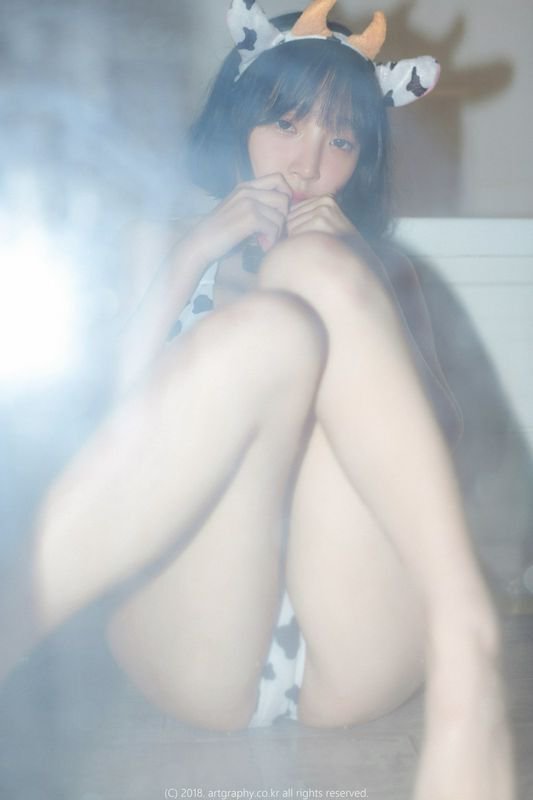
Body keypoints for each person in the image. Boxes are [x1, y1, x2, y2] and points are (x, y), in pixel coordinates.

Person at [1, 2, 514, 798]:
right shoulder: (159, 243)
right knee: (272, 330)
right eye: (285, 123)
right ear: (237, 119)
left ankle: (464, 637)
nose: (308, 163)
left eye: (341, 141)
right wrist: (194, 254)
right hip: (195, 638)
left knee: (309, 275)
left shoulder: (379, 268)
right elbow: (100, 451)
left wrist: (358, 277)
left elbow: (438, 445)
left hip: (357, 645)